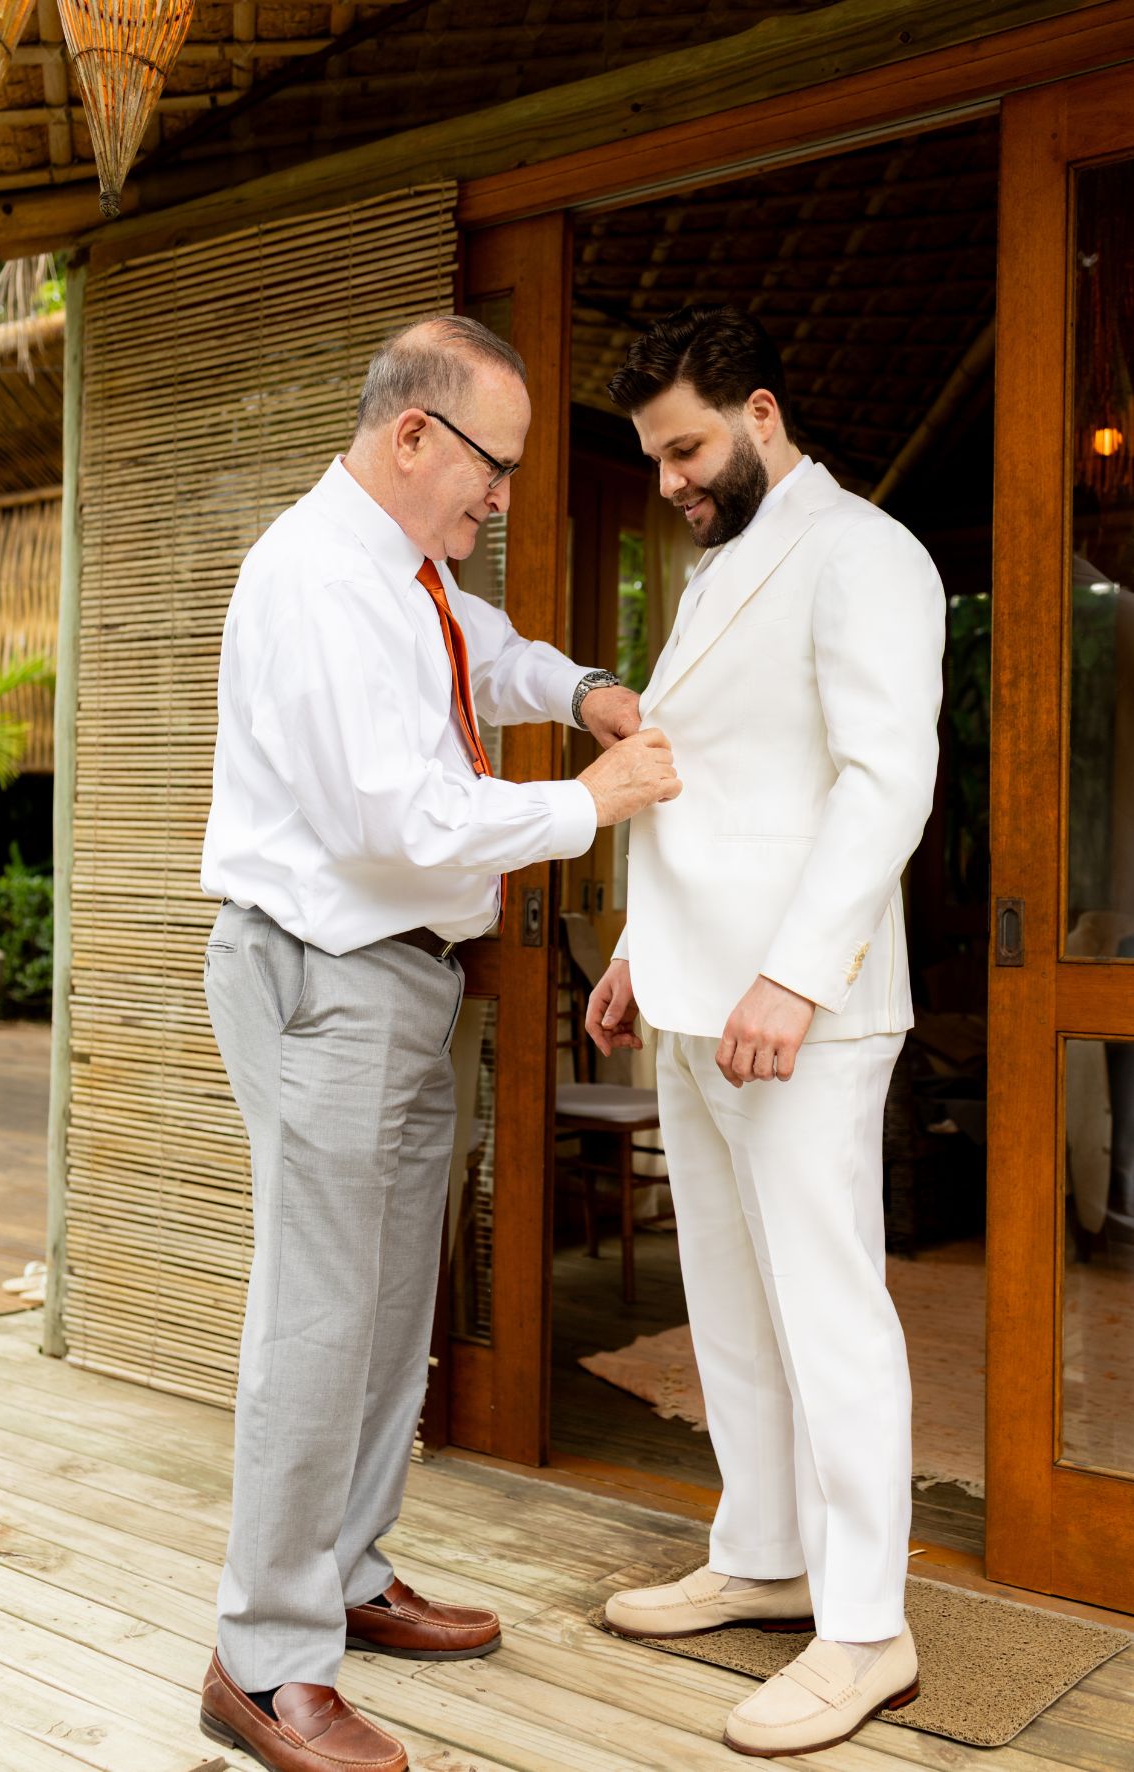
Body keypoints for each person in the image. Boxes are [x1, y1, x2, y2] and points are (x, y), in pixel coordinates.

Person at [197, 314, 680, 1772]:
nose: (505, 496)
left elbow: (489, 652)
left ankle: (344, 1574)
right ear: (413, 434)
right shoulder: (314, 578)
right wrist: (590, 802)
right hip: (324, 976)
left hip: (405, 983)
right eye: (494, 464)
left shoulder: (409, 579)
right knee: (318, 1316)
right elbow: (392, 820)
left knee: (390, 1307)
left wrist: (582, 691)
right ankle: (262, 1660)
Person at [588, 304, 944, 1759]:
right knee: (727, 1300)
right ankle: (763, 1554)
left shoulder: (865, 553)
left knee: (829, 1309)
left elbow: (883, 780)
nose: (672, 480)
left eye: (685, 449)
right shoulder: (719, 566)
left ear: (761, 413)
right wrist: (635, 950)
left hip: (800, 1012)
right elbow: (710, 785)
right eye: (655, 459)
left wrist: (795, 977)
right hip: (692, 999)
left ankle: (865, 1629)